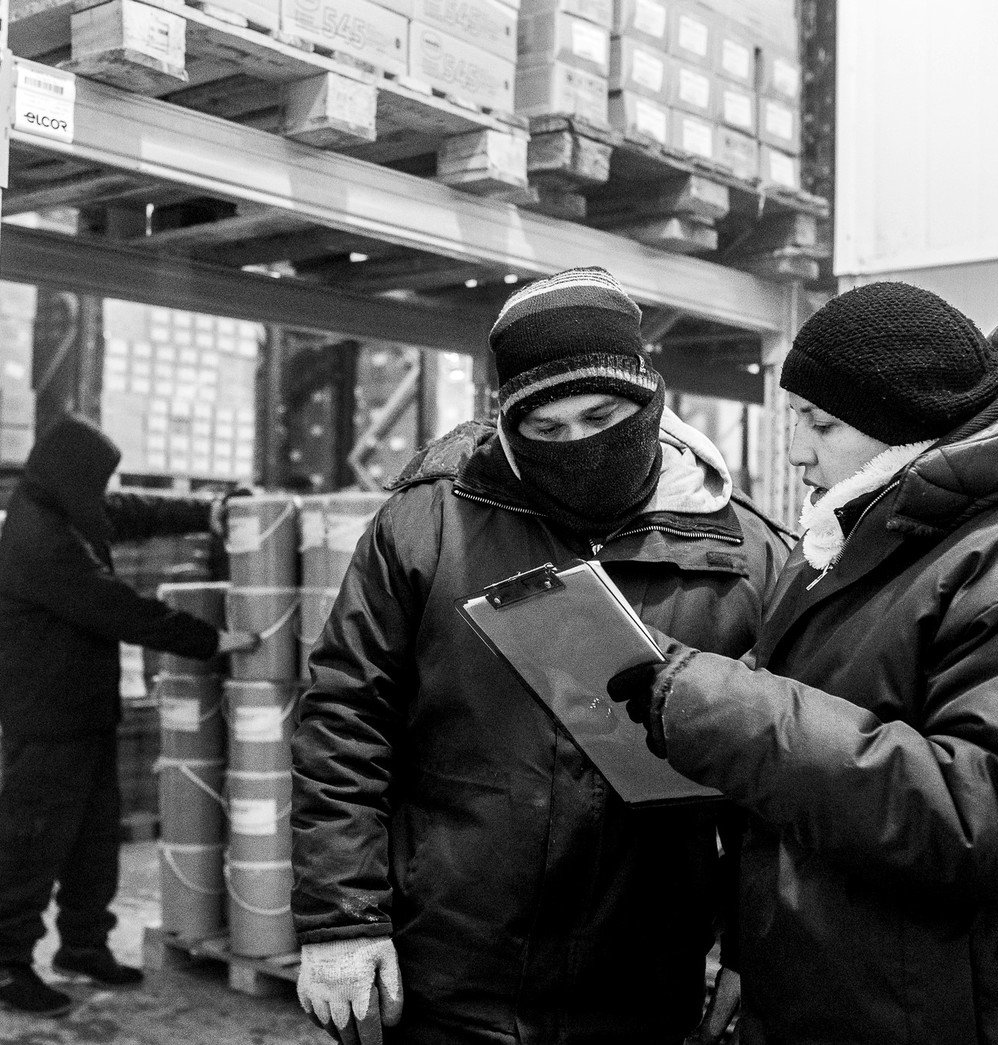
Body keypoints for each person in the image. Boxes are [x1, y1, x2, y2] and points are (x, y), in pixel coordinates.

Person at [608, 285, 998, 1044]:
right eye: (793, 419)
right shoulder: (869, 540)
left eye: (821, 423)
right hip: (865, 984)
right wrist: (751, 946)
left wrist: (721, 708)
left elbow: (990, 817)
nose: (797, 450)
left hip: (983, 1000)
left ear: (906, 422)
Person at [291, 267, 791, 1044]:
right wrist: (340, 919)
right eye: (546, 429)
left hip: (642, 980)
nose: (578, 445)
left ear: (648, 401)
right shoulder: (427, 526)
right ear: (506, 422)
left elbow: (773, 785)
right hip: (449, 970)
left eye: (600, 415)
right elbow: (345, 718)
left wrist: (753, 943)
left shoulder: (743, 557)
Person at [0, 413, 258, 1017]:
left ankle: (83, 944)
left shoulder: (65, 507)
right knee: (34, 838)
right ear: (71, 476)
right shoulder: (41, 540)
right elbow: (116, 608)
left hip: (84, 706)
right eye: (97, 480)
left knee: (94, 835)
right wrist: (211, 641)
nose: (103, 493)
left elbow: (130, 511)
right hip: (46, 714)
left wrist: (206, 511)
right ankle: (6, 965)